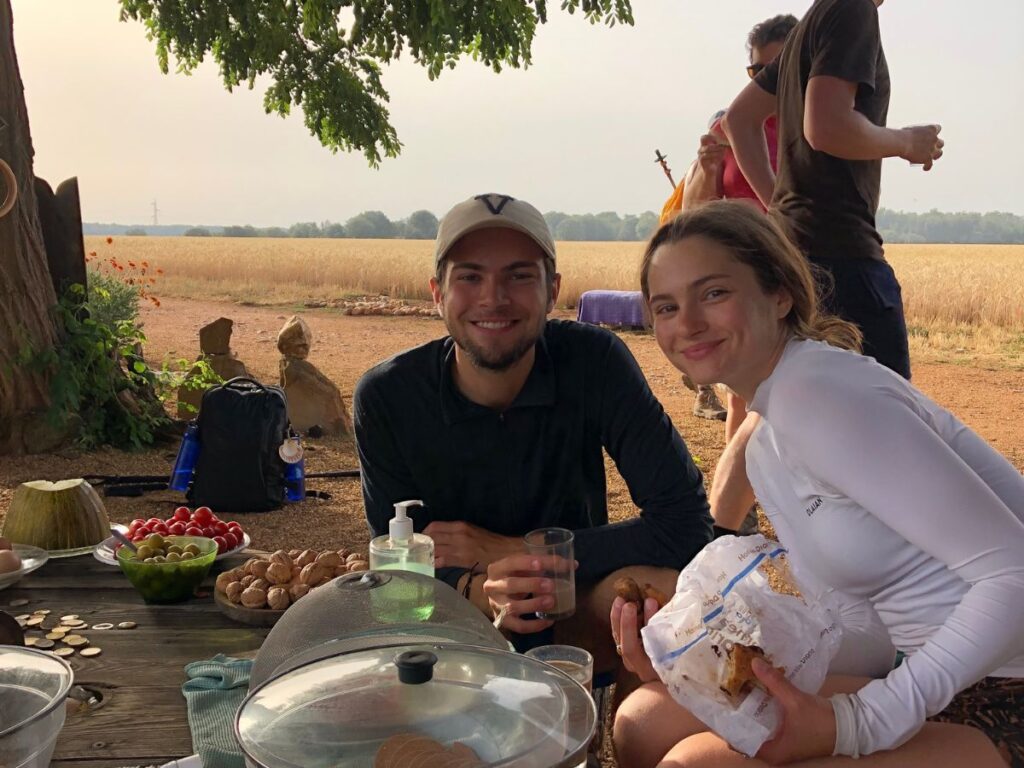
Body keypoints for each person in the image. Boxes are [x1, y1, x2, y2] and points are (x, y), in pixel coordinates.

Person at [610, 200, 1024, 768]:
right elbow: (856, 619)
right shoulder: (766, 440)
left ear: (779, 293)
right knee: (643, 724)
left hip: (1007, 689)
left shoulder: (820, 394)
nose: (687, 323)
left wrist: (862, 721)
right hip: (929, 668)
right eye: (666, 306)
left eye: (713, 293)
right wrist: (699, 653)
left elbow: (1014, 570)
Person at [352, 192, 713, 668]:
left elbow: (687, 524)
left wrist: (518, 550)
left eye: (519, 276)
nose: (493, 298)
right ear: (438, 292)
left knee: (654, 597)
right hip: (453, 614)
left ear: (552, 289)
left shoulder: (595, 362)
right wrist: (479, 589)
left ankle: (628, 736)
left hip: (571, 600)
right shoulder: (386, 396)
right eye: (470, 276)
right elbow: (399, 566)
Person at [722, 0, 944, 382]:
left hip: (797, 257)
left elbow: (738, 120)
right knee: (885, 422)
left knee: (804, 416)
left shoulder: (816, 19)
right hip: (843, 263)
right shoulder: (852, 8)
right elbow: (825, 127)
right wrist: (907, 142)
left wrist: (779, 209)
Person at [682, 14, 798, 533]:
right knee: (744, 394)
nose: (765, 82)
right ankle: (737, 512)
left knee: (796, 386)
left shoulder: (812, 124)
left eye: (776, 70)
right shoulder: (726, 124)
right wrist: (707, 166)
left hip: (796, 276)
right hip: (739, 279)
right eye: (756, 72)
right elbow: (693, 214)